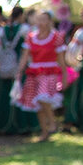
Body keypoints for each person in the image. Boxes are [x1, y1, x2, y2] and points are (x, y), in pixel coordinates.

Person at [16, 10, 69, 141]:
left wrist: (65, 76)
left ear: (50, 21)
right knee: (37, 104)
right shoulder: (31, 37)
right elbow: (25, 56)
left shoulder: (56, 37)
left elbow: (61, 59)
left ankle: (52, 122)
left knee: (42, 96)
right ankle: (44, 132)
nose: (41, 23)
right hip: (34, 72)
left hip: (49, 72)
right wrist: (19, 71)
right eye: (39, 19)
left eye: (44, 20)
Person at [0, 6, 30, 134]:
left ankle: (2, 123)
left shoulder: (1, 31)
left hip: (3, 66)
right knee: (18, 94)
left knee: (4, 96)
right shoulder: (24, 29)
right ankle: (20, 125)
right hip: (19, 66)